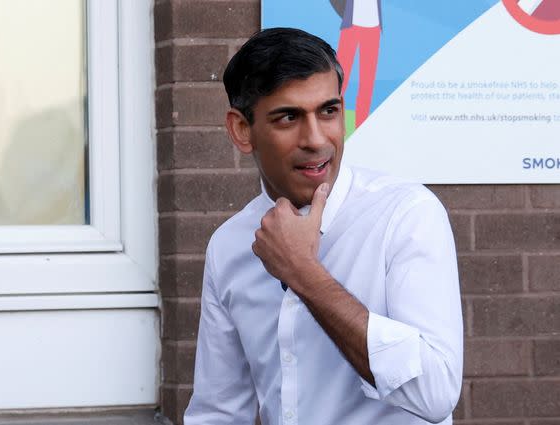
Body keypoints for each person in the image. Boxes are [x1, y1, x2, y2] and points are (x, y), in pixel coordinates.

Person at [184, 28, 462, 425]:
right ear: (242, 130)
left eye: (328, 111)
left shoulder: (406, 216)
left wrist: (304, 274)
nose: (315, 139)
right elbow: (219, 412)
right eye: (288, 118)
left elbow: (436, 395)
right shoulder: (229, 244)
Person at [336, 0, 382, 128]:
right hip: (351, 27)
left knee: (367, 83)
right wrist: (346, 14)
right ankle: (336, 125)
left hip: (373, 29)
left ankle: (361, 128)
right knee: (339, 81)